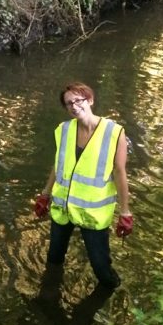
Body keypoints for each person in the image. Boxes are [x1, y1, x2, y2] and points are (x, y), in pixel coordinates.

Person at [33, 82, 133, 289]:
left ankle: (112, 292)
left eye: (78, 100)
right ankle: (49, 294)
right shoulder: (63, 130)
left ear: (90, 100)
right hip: (63, 208)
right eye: (68, 103)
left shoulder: (114, 132)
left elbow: (120, 172)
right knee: (54, 257)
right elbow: (58, 165)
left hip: (92, 213)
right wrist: (45, 194)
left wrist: (125, 212)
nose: (73, 106)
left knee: (101, 267)